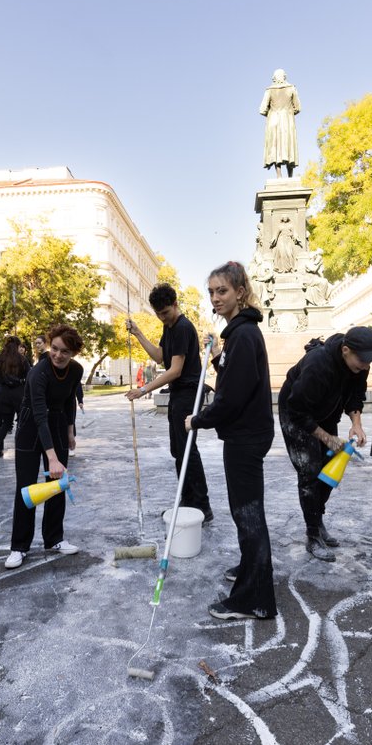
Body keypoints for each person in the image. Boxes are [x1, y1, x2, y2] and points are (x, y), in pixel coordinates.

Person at [189, 261, 276, 620]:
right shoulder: (239, 334)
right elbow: (235, 376)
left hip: (245, 436)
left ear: (240, 292)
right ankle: (251, 570)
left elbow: (233, 396)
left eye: (222, 290)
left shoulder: (243, 333)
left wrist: (199, 419)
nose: (215, 297)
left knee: (248, 513)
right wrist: (219, 358)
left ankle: (254, 599)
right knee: (247, 513)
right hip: (247, 433)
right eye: (211, 291)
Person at [279, 328, 372, 561]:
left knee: (331, 467)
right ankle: (313, 535)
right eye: (363, 360)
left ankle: (318, 519)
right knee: (310, 472)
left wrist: (356, 423)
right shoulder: (319, 364)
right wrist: (327, 438)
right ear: (345, 350)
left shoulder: (360, 363)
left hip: (325, 412)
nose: (366, 366)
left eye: (370, 361)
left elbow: (356, 394)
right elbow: (297, 410)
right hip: (296, 412)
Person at [125, 283, 215, 524]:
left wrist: (143, 389)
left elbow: (175, 370)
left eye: (165, 312)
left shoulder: (183, 327)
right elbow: (159, 356)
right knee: (178, 450)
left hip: (188, 393)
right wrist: (138, 333)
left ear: (175, 305)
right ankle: (187, 500)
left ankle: (202, 505)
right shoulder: (169, 327)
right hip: (178, 395)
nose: (162, 317)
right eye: (158, 314)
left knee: (187, 450)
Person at [6, 324, 85, 569]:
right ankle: (19, 547)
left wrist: (70, 431)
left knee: (57, 485)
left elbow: (70, 400)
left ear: (73, 353)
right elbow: (40, 415)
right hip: (31, 425)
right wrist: (51, 457)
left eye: (65, 352)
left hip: (59, 422)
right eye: (55, 349)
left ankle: (54, 539)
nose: (58, 355)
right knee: (27, 488)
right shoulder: (38, 372)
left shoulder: (76, 370)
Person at [0, 336, 29, 469]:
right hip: (19, 394)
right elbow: (29, 376)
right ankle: (21, 449)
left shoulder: (0, 359)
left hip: (4, 394)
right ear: (17, 345)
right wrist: (19, 381)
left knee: (5, 424)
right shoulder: (21, 359)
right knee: (21, 422)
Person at [259, 69, 300, 178]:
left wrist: (272, 112)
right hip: (287, 120)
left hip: (274, 121)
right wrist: (288, 112)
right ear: (284, 77)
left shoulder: (269, 90)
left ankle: (279, 176)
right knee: (288, 146)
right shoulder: (291, 88)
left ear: (274, 78)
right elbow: (298, 107)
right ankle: (290, 176)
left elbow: (262, 109)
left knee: (276, 147)